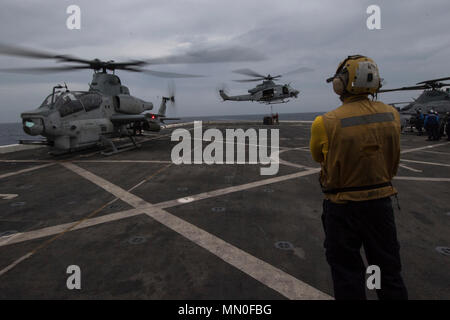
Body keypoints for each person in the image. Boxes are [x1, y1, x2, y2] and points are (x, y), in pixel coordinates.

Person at [310, 55, 408, 300]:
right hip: (380, 204)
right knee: (389, 272)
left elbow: (317, 157)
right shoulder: (392, 115)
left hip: (342, 207)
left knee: (347, 273)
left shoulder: (325, 122)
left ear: (342, 83)